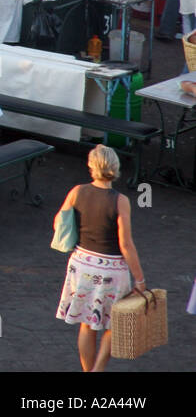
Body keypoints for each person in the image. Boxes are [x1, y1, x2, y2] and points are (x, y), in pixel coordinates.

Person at [55, 144, 147, 372]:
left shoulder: (77, 191)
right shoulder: (120, 201)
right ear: (115, 167)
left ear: (91, 166)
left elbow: (59, 221)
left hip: (81, 263)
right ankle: (98, 370)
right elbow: (125, 243)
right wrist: (140, 279)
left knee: (87, 324)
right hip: (111, 269)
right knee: (114, 323)